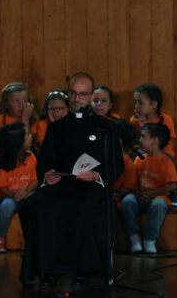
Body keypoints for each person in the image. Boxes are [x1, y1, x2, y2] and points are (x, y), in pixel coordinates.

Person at [19, 72, 124, 290]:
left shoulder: (104, 127)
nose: (77, 99)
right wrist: (48, 174)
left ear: (92, 96)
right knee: (37, 206)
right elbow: (45, 160)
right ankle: (47, 270)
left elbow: (116, 163)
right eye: (73, 93)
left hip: (91, 185)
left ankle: (83, 271)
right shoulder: (56, 127)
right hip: (63, 184)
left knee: (86, 205)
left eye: (83, 94)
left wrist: (98, 175)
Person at [120, 123, 177, 254]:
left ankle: (150, 240)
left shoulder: (165, 161)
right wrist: (139, 194)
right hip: (140, 197)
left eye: (143, 136)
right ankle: (134, 238)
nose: (139, 140)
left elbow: (173, 184)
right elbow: (134, 182)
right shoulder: (139, 159)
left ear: (154, 141)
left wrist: (152, 194)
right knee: (127, 201)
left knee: (159, 204)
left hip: (157, 197)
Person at [129, 83, 177, 206]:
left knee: (163, 160)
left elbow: (164, 142)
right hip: (143, 152)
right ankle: (136, 191)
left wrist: (144, 128)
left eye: (140, 102)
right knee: (135, 158)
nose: (136, 106)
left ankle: (170, 193)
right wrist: (140, 127)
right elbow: (134, 141)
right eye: (135, 102)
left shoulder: (165, 120)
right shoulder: (134, 120)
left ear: (153, 105)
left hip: (162, 153)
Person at [0, 121, 38, 253]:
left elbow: (35, 180)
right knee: (6, 206)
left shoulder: (31, 157)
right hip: (11, 196)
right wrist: (14, 195)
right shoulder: (4, 160)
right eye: (27, 135)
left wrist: (25, 192)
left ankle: (32, 243)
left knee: (34, 204)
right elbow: (2, 186)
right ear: (18, 141)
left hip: (28, 193)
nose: (31, 136)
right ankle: (0, 239)